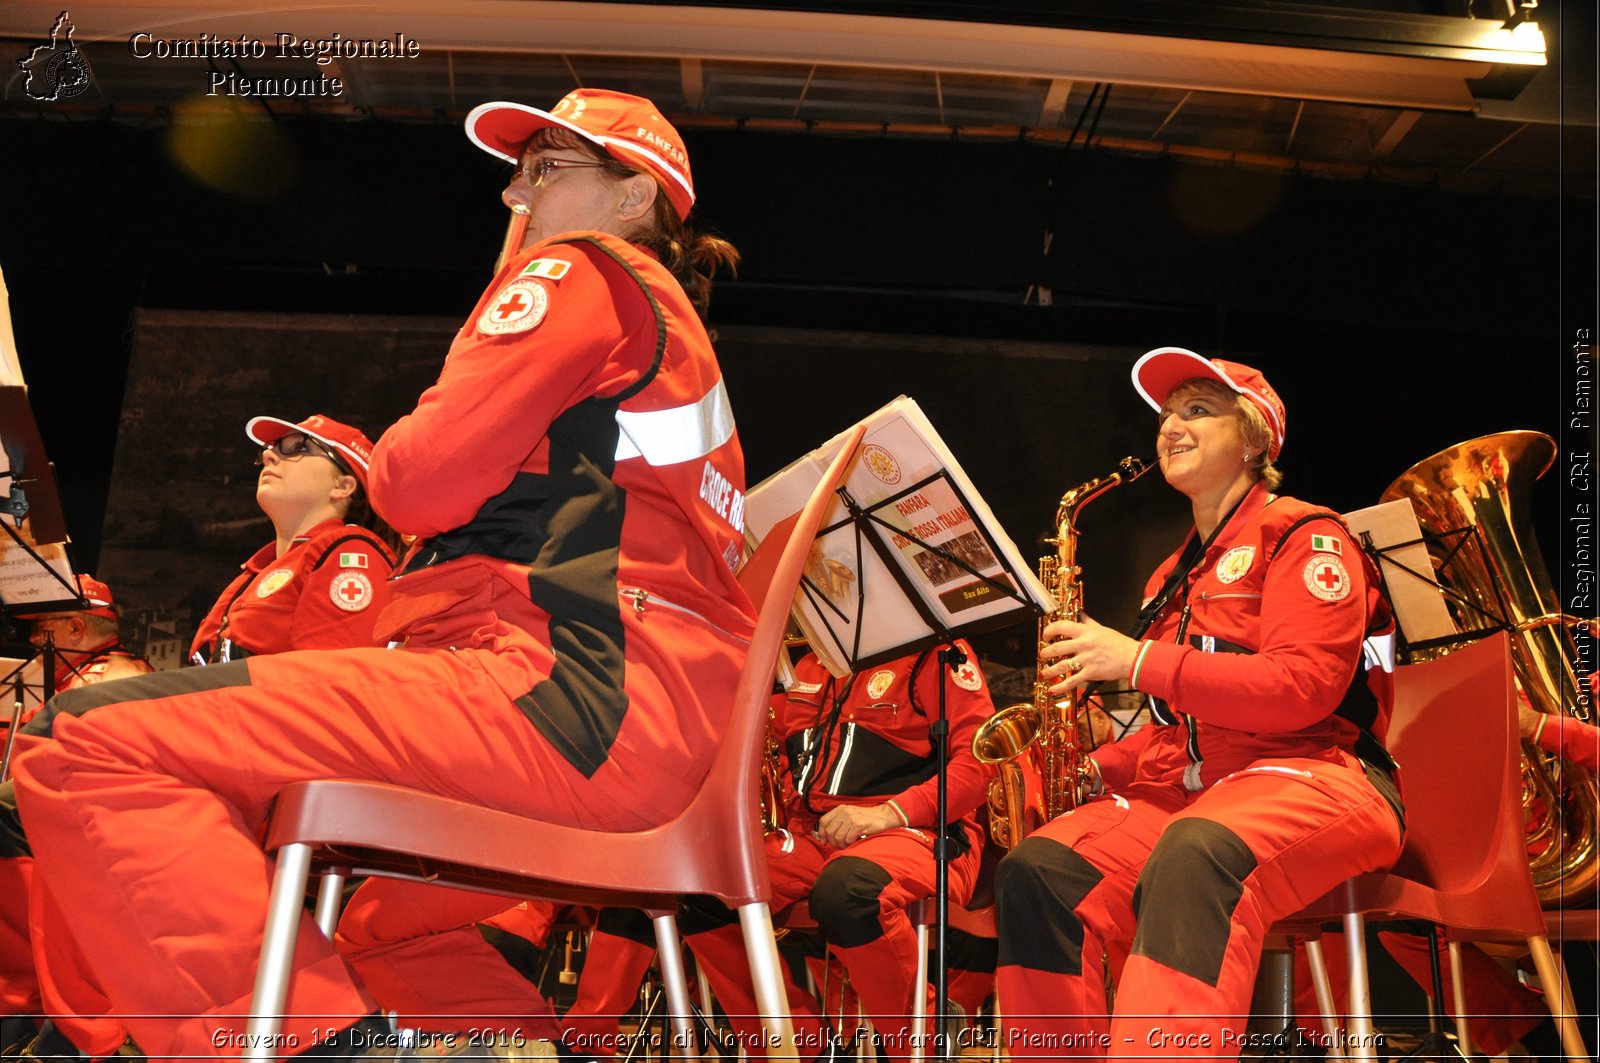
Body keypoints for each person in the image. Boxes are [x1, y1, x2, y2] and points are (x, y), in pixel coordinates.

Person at [6, 85, 747, 1062]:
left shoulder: (583, 272)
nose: (515, 197)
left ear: (632, 196)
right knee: (376, 924)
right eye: (517, 174)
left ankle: (308, 1047)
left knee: (82, 741)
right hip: (630, 717)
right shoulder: (656, 324)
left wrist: (491, 316)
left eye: (548, 170)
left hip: (564, 697)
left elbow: (411, 483)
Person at [992, 347, 1405, 1059]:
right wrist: (1099, 767)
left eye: (1197, 411)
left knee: (1196, 852)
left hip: (1320, 774)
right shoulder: (1169, 574)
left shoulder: (1308, 533)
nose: (1170, 427)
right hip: (1194, 796)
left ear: (1253, 439)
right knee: (1037, 871)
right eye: (1166, 414)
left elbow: (1301, 689)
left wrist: (1137, 658)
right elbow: (1176, 726)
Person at [675, 641, 996, 1063]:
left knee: (849, 890)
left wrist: (890, 812)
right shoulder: (805, 663)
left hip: (918, 830)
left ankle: (928, 1032)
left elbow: (980, 765)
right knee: (698, 881)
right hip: (815, 835)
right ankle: (796, 1046)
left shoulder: (937, 652)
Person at [189, 413, 396, 665]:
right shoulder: (254, 573)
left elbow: (331, 686)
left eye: (299, 447)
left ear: (342, 487)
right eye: (272, 448)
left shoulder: (350, 554)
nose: (268, 455)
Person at [9, 575, 152, 715]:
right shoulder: (93, 670)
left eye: (40, 627)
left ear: (75, 628)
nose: (33, 638)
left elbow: (33, 732)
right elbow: (31, 723)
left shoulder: (96, 681)